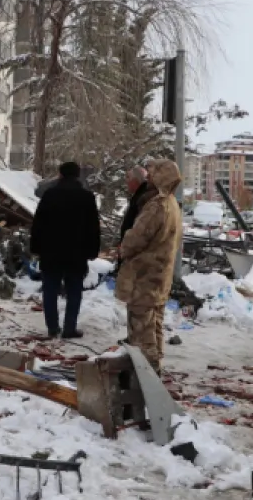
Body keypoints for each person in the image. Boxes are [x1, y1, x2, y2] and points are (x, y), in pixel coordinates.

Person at [115, 159, 183, 371]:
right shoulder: (172, 203)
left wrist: (122, 248)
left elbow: (136, 237)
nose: (149, 178)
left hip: (144, 276)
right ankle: (154, 370)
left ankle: (146, 376)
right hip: (159, 276)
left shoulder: (156, 205)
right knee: (154, 327)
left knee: (141, 333)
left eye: (153, 174)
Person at [30, 161, 101, 339]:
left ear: (60, 175)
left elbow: (38, 224)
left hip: (50, 252)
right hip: (76, 254)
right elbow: (93, 227)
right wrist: (92, 251)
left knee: (50, 290)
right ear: (77, 175)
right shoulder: (87, 197)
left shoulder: (50, 195)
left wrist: (36, 247)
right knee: (74, 291)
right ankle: (69, 328)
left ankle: (52, 328)